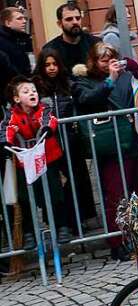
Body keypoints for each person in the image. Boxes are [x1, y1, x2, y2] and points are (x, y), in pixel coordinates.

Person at [72, 43, 138, 258]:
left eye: (111, 58)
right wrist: (109, 81)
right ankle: (117, 241)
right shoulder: (83, 80)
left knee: (137, 193)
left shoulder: (125, 76)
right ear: (94, 61)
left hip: (133, 140)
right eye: (103, 60)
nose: (108, 63)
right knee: (115, 196)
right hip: (110, 146)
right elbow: (88, 99)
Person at [1, 76, 76, 249]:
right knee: (26, 198)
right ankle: (29, 233)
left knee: (54, 192)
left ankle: (61, 226)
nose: (32, 93)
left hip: (48, 159)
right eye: (26, 92)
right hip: (23, 162)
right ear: (17, 98)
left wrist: (46, 128)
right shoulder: (12, 114)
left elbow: (49, 120)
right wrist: (6, 139)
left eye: (33, 90)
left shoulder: (44, 108)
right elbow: (7, 128)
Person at [32, 46, 96, 227]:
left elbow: (84, 97)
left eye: (54, 64)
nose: (51, 68)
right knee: (56, 181)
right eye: (47, 65)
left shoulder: (68, 83)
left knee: (77, 178)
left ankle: (80, 218)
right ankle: (60, 222)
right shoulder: (36, 86)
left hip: (70, 139)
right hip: (49, 141)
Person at [43, 2, 100, 73]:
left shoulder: (96, 44)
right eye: (69, 19)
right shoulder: (51, 49)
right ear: (59, 24)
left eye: (78, 18)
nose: (75, 22)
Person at [0, 6, 32, 101]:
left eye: (24, 18)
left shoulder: (21, 39)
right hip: (9, 93)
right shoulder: (2, 42)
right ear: (8, 23)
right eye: (19, 19)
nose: (24, 21)